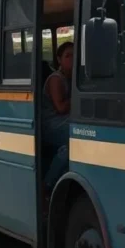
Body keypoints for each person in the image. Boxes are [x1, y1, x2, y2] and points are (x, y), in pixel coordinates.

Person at [42, 42, 74, 190]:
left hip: (64, 121)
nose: (72, 59)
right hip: (51, 124)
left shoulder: (73, 78)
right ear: (59, 59)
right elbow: (60, 108)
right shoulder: (56, 79)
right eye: (68, 56)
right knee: (74, 142)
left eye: (75, 55)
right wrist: (79, 98)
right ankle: (48, 184)